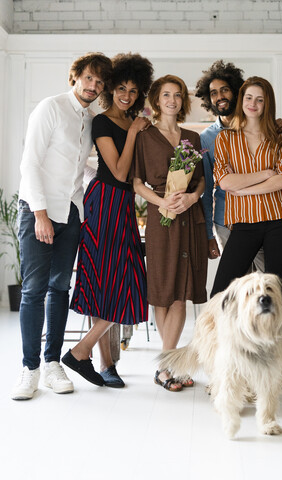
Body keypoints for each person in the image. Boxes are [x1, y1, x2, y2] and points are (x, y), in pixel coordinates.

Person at [12, 52, 112, 400]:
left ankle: (53, 363)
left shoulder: (91, 118)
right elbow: (31, 163)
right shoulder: (50, 108)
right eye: (89, 78)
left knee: (59, 289)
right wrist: (40, 214)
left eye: (100, 83)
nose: (93, 86)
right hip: (38, 210)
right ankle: (30, 369)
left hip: (71, 212)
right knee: (33, 290)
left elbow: (80, 166)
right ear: (76, 77)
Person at [63, 53, 154, 387]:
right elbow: (117, 171)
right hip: (104, 201)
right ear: (110, 89)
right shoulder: (102, 122)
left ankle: (92, 356)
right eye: (120, 88)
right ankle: (89, 355)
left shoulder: (136, 122)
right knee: (110, 281)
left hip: (123, 204)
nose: (126, 95)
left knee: (123, 281)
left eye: (133, 90)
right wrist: (132, 133)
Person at [133, 75, 208, 392]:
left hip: (189, 218)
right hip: (160, 217)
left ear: (183, 101)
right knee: (162, 290)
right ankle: (169, 365)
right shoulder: (145, 136)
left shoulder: (193, 136)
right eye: (166, 95)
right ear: (156, 100)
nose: (172, 100)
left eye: (178, 95)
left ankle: (166, 366)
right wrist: (163, 200)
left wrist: (191, 198)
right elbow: (137, 183)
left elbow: (202, 181)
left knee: (181, 290)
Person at [195, 61, 282, 277]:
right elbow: (208, 189)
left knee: (267, 285)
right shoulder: (207, 138)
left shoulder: (269, 128)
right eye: (213, 93)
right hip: (226, 222)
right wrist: (208, 234)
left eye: (225, 90)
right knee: (236, 290)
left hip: (265, 215)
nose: (219, 96)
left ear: (236, 92)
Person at [211, 76, 282, 296]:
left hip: (279, 220)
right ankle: (224, 331)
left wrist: (242, 189)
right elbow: (225, 181)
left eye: (259, 100)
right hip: (244, 222)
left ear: (266, 104)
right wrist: (267, 174)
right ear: (241, 100)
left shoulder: (281, 137)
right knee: (222, 292)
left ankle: (274, 331)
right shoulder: (225, 139)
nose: (253, 103)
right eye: (249, 97)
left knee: (273, 292)